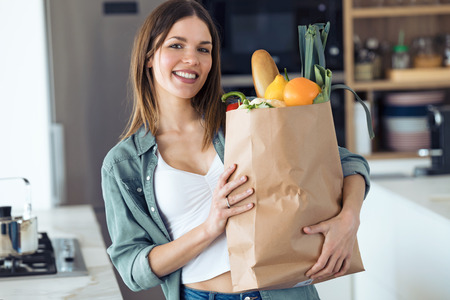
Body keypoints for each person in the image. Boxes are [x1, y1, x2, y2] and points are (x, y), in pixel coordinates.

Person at [101, 1, 370, 299]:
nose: (191, 59)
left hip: (281, 293)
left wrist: (348, 220)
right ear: (149, 56)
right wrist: (209, 228)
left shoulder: (242, 118)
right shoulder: (123, 164)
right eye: (177, 45)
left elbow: (348, 162)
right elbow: (133, 270)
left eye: (204, 49)